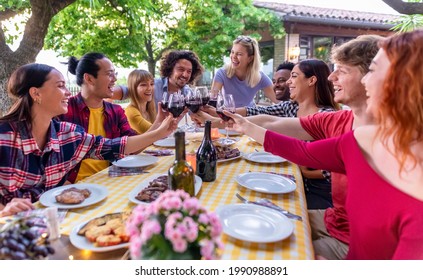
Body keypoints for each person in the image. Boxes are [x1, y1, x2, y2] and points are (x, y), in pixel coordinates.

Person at [224, 29, 423, 260]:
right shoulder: (364, 138)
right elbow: (304, 151)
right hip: (335, 226)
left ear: (403, 83)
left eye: (374, 71)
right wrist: (244, 125)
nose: (330, 77)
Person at [0, 63, 178, 217]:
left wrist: (159, 132)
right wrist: (4, 209)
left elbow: (113, 146)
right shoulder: (4, 137)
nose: (68, 92)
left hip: (50, 222)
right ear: (35, 93)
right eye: (60, 86)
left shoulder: (67, 135)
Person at [193, 59, 340, 209]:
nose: (289, 82)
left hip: (317, 191)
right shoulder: (291, 107)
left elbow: (336, 167)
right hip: (296, 179)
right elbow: (261, 115)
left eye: (294, 76)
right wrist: (219, 116)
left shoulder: (327, 117)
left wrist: (306, 173)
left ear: (312, 80)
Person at [58, 53, 137, 183]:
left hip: (110, 180)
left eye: (115, 74)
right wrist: (61, 183)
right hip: (74, 186)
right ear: (89, 79)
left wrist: (160, 126)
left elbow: (133, 143)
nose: (115, 79)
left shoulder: (115, 111)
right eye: (109, 74)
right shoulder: (63, 111)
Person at [212, 35, 277, 107]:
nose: (233, 56)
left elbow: (279, 101)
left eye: (239, 54)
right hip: (228, 115)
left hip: (249, 116)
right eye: (232, 52)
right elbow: (213, 100)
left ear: (250, 58)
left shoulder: (259, 77)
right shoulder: (222, 73)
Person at [124, 69, 162, 134]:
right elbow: (156, 134)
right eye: (144, 85)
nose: (149, 88)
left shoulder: (149, 109)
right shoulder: (131, 112)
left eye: (152, 84)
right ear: (133, 88)